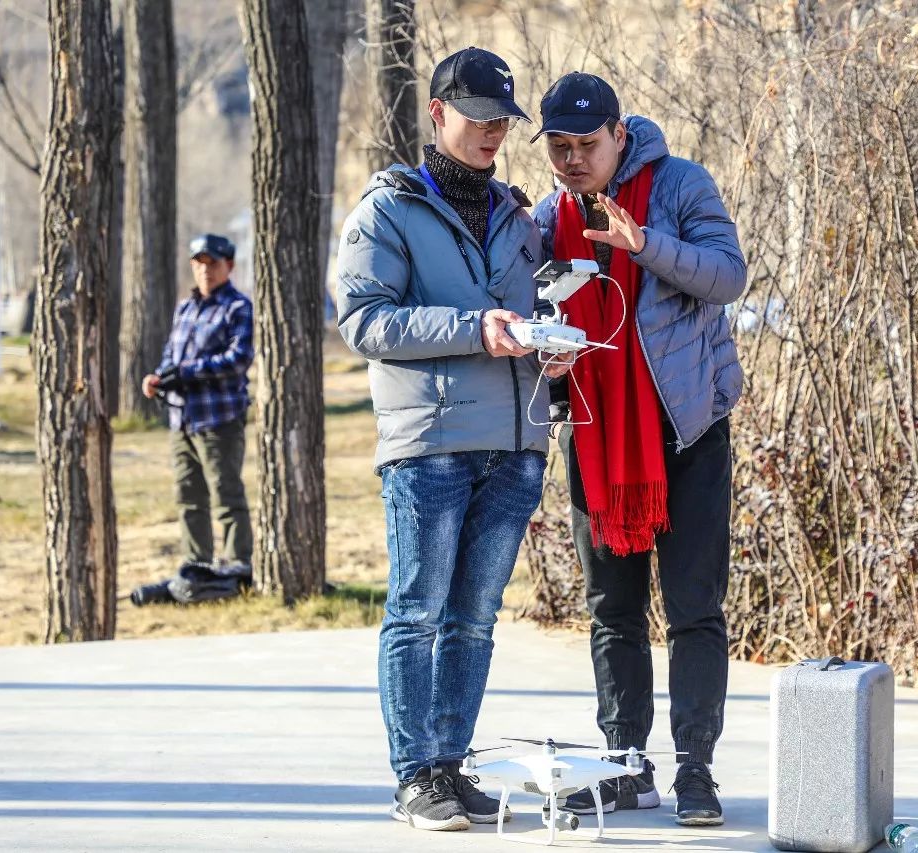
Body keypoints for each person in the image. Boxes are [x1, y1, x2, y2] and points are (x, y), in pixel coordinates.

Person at [334, 46, 566, 833]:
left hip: (516, 444)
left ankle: (451, 765)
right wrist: (476, 327)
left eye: (504, 119)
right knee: (418, 611)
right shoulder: (388, 210)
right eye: (479, 118)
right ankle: (413, 775)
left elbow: (532, 309)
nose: (494, 132)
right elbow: (364, 320)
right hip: (430, 444)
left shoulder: (518, 214)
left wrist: (552, 341)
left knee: (474, 617)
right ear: (437, 114)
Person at [531, 72, 746, 826]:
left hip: (687, 431)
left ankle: (696, 768)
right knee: (611, 610)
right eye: (559, 147)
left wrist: (642, 243)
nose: (571, 159)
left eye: (585, 144)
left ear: (620, 135)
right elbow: (533, 314)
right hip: (593, 434)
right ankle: (625, 762)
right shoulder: (547, 215)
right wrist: (545, 358)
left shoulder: (682, 185)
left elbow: (727, 276)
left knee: (694, 609)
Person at [143, 233, 254, 576]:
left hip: (219, 419)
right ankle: (198, 563)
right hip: (181, 420)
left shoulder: (237, 307)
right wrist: (159, 377)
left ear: (229, 266)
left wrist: (187, 373)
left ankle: (237, 565)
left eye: (213, 264)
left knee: (227, 495)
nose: (206, 271)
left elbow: (237, 359)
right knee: (188, 496)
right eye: (199, 264)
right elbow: (171, 356)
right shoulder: (185, 308)